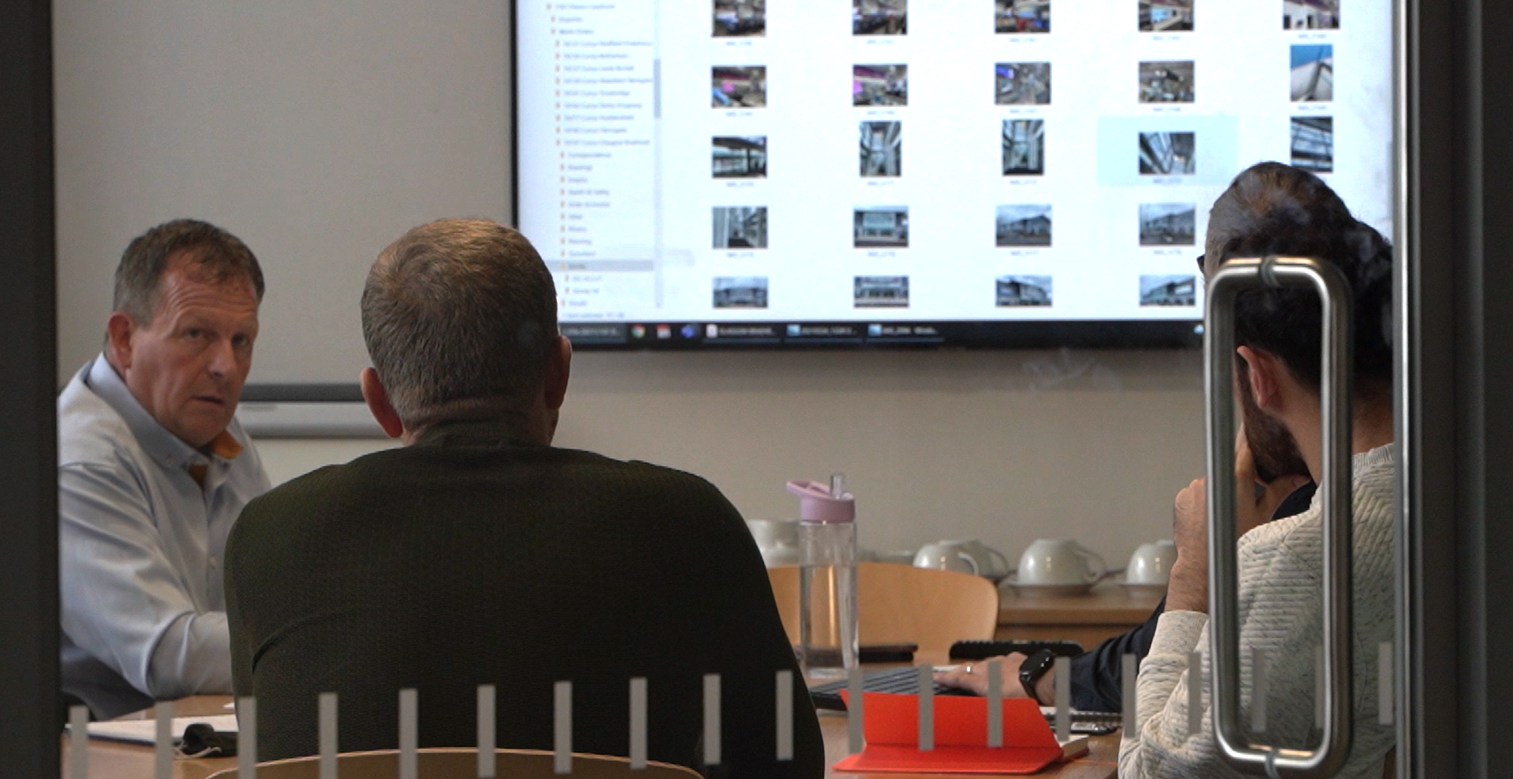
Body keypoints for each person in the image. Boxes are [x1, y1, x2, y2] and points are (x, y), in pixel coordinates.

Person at [224, 218, 825, 777]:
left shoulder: (272, 535)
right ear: (559, 374)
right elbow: (783, 766)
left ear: (378, 401)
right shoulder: (687, 523)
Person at [937, 161, 1332, 712]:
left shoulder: (1301, 539)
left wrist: (1199, 571)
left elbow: (1162, 753)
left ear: (1258, 372)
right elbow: (1152, 659)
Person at [1118, 163, 1397, 776]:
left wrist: (1194, 576)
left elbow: (1148, 772)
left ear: (1259, 374)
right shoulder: (1448, 497)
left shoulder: (1301, 561)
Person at [59, 219, 270, 719]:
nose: (226, 366)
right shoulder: (79, 458)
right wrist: (318, 643)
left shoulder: (217, 429)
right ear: (125, 338)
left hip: (203, 730)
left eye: (242, 341)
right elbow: (166, 653)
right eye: (197, 334)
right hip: (102, 750)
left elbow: (276, 588)